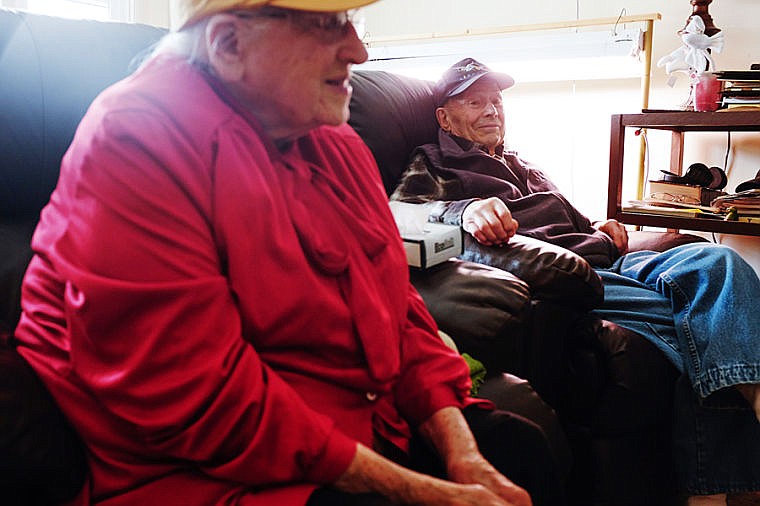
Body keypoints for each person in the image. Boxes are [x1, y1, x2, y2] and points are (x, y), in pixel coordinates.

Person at [11, 5, 567, 506]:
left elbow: (396, 310)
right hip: (215, 467)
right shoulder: (136, 138)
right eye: (328, 26)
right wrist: (419, 490)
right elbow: (197, 397)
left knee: (517, 451)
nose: (359, 50)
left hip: (353, 419)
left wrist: (460, 454)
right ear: (229, 45)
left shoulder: (334, 139)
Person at [391, 57, 760, 506]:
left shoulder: (519, 162)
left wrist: (601, 225)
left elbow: (574, 219)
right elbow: (395, 213)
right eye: (475, 102)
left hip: (609, 257)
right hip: (574, 279)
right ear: (444, 117)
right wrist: (460, 211)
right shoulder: (434, 161)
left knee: (716, 260)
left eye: (496, 101)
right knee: (701, 326)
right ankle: (715, 492)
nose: (492, 111)